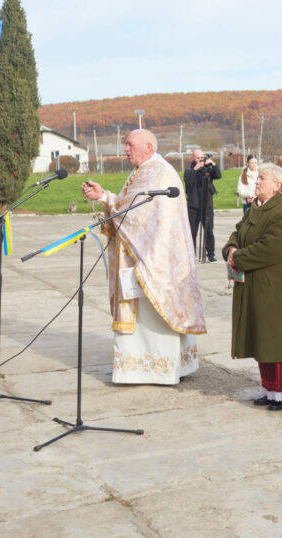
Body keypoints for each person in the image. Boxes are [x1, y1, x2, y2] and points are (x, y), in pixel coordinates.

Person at [81, 130, 206, 385]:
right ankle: (139, 369)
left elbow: (141, 219)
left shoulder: (161, 173)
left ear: (148, 147)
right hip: (140, 254)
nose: (125, 149)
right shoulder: (142, 170)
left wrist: (109, 201)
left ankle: (158, 369)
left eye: (130, 144)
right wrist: (104, 196)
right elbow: (131, 208)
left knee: (152, 320)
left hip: (155, 260)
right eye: (125, 144)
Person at [223, 164, 282, 410]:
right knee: (263, 337)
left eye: (262, 178)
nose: (256, 182)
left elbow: (272, 247)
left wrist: (238, 258)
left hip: (278, 286)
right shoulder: (255, 208)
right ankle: (271, 390)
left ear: (278, 185)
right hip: (257, 284)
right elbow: (238, 232)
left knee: (278, 338)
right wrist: (231, 248)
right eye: (257, 178)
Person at [184, 148, 221, 262]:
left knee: (209, 230)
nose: (200, 160)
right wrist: (196, 168)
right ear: (193, 158)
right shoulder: (189, 170)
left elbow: (218, 175)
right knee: (192, 232)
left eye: (202, 157)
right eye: (198, 158)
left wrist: (213, 164)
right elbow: (188, 181)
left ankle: (211, 254)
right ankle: (192, 254)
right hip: (194, 206)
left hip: (207, 204)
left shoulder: (208, 169)